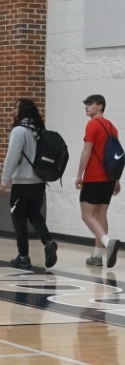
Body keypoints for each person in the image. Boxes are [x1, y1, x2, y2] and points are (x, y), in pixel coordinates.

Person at [0, 98, 58, 270]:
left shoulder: (19, 131)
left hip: (22, 183)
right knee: (35, 214)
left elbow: (12, 157)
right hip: (39, 182)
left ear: (22, 111)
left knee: (19, 218)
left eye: (16, 107)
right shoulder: (39, 130)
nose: (13, 111)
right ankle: (48, 241)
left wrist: (4, 181)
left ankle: (23, 256)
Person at [75, 94, 121, 268]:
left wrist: (79, 174)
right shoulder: (112, 127)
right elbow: (116, 156)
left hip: (94, 177)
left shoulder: (93, 124)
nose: (86, 107)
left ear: (100, 106)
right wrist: (116, 179)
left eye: (90, 104)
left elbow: (87, 151)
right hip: (109, 178)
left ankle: (109, 243)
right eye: (86, 104)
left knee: (87, 215)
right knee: (101, 215)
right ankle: (97, 256)